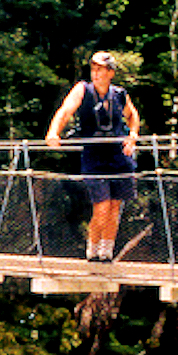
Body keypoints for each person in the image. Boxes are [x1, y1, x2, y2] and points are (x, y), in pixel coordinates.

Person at [45, 51, 141, 262]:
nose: (96, 74)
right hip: (94, 154)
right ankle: (92, 248)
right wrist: (54, 132)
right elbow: (65, 112)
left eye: (101, 70)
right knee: (102, 206)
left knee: (116, 206)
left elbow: (132, 115)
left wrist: (132, 136)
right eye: (93, 69)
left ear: (111, 73)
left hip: (118, 154)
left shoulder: (119, 94)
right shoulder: (83, 90)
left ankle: (106, 251)